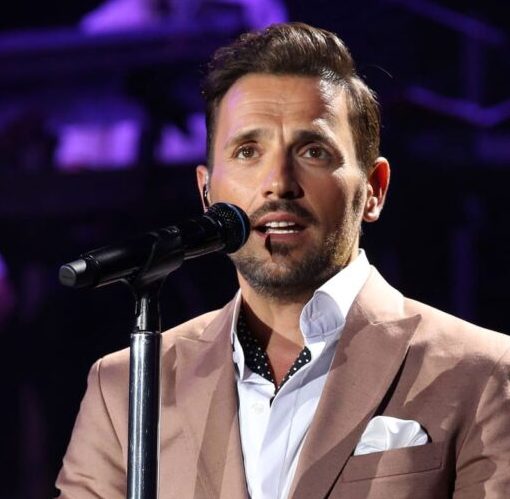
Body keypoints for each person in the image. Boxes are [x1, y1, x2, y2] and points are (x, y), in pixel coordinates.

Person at [55, 23, 510, 498]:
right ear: (207, 192)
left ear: (374, 189)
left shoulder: (483, 373)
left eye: (313, 151)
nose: (278, 182)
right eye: (248, 151)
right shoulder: (124, 386)